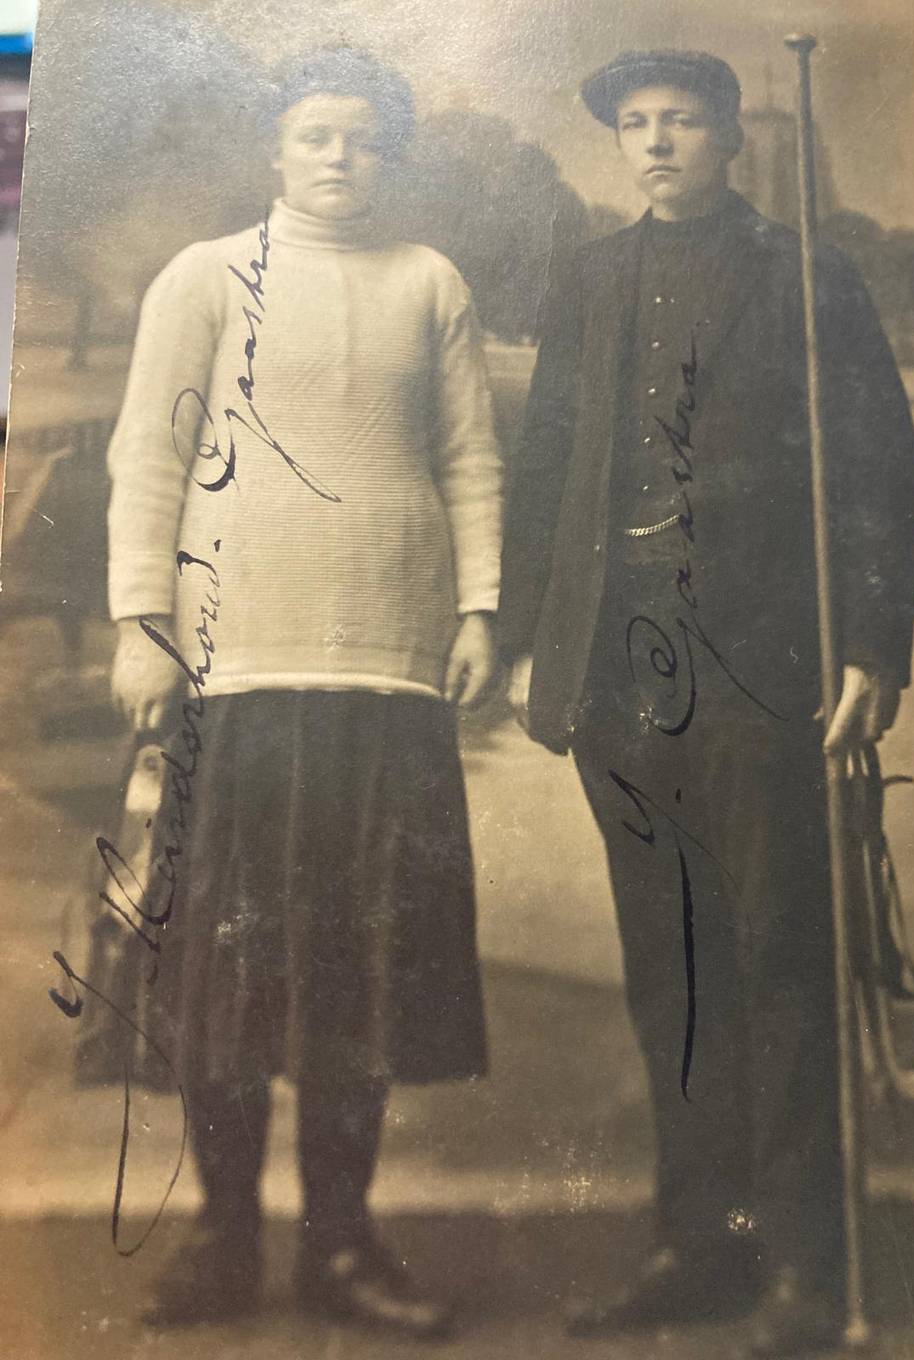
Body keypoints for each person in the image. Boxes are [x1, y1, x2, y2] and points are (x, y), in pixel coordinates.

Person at [500, 49, 914, 1357]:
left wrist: (870, 643)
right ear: (618, 146)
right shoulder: (592, 278)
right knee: (669, 977)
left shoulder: (804, 277)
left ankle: (803, 1267)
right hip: (623, 681)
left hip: (762, 673)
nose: (659, 142)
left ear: (734, 137)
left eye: (684, 121)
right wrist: (528, 638)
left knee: (781, 963)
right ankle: (701, 1246)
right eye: (637, 124)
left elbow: (872, 463)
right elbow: (548, 460)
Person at [105, 47, 502, 1338]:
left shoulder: (429, 281)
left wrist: (480, 611)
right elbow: (146, 460)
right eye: (316, 137)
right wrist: (138, 627)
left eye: (365, 141)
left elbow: (468, 459)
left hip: (385, 671)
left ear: (393, 156)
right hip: (234, 674)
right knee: (233, 974)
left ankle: (340, 1243)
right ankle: (226, 1244)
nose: (340, 160)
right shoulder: (204, 278)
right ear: (277, 151)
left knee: (358, 973)